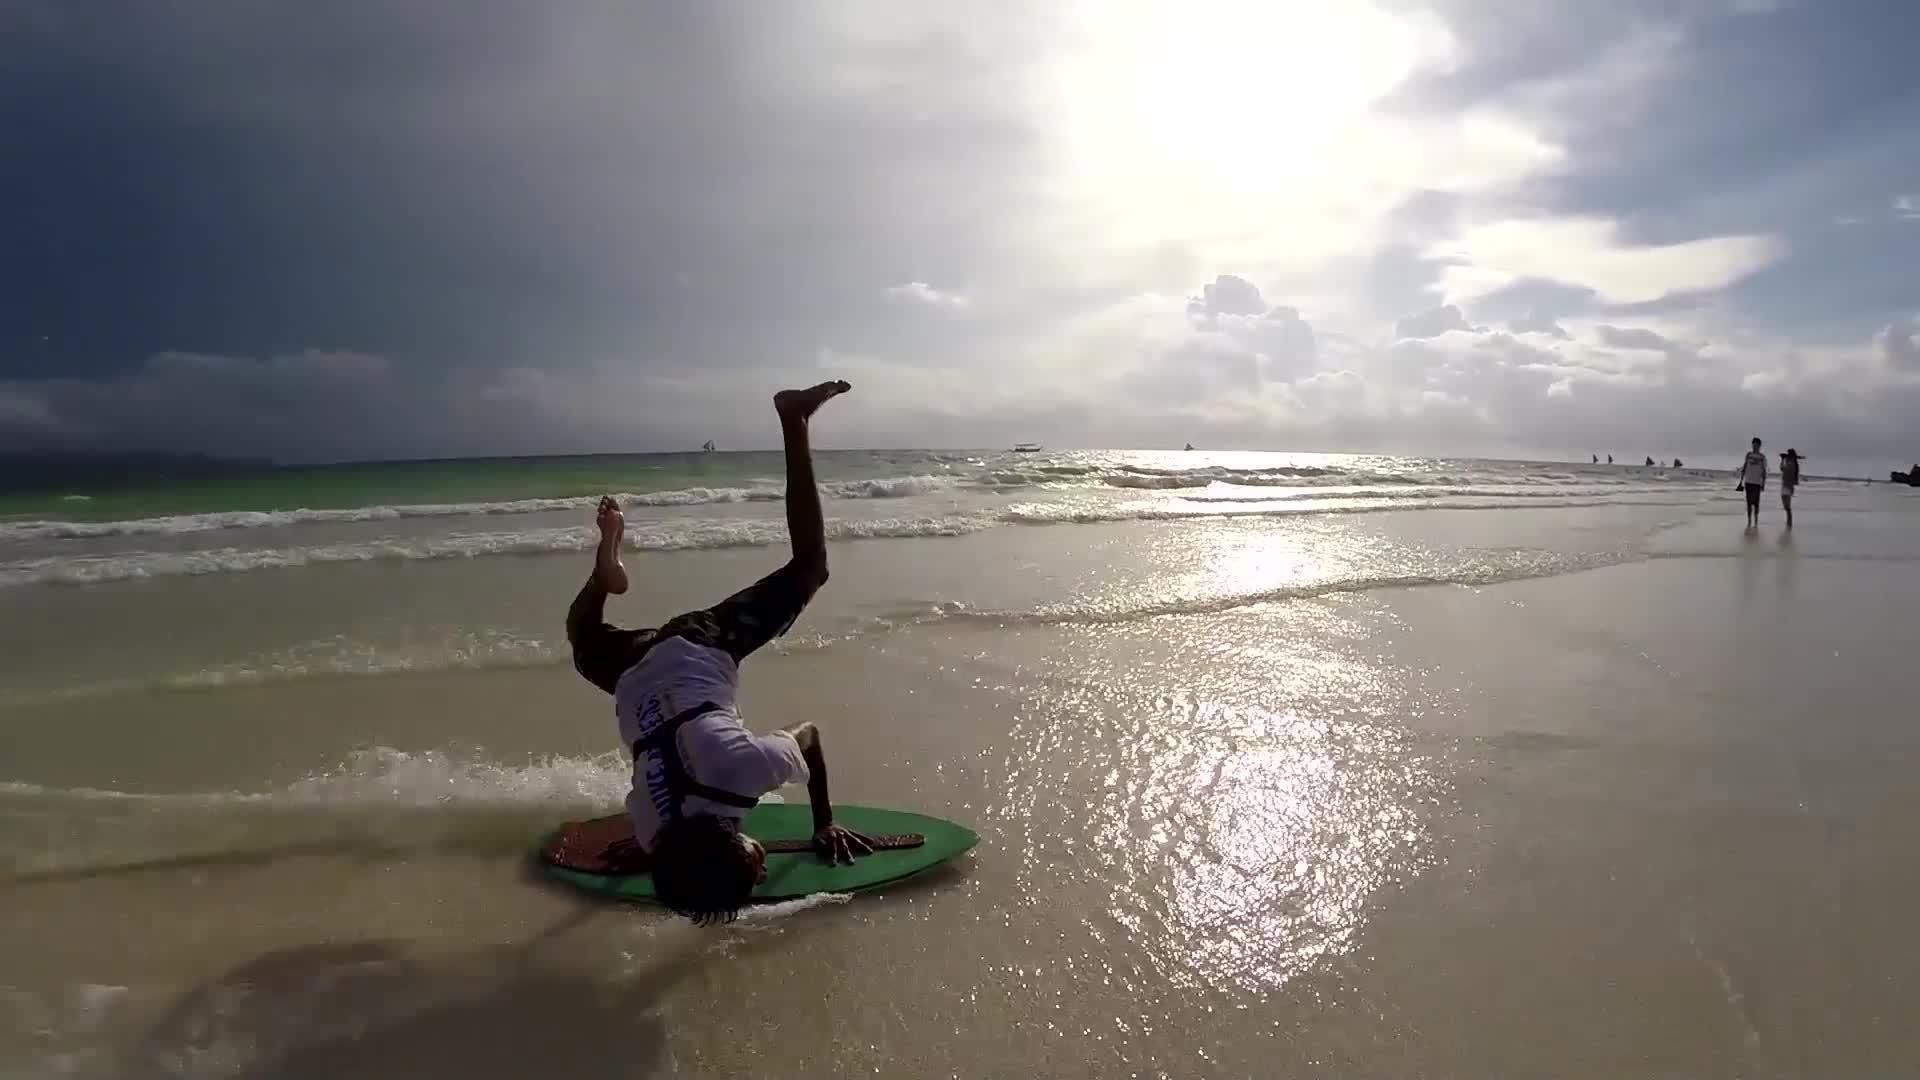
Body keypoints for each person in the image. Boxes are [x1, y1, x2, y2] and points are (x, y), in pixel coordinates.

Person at [565, 380, 875, 925]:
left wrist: (822, 822)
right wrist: (648, 852)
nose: (762, 872)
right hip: (629, 671)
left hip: (698, 645)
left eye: (753, 871)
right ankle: (602, 574)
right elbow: (659, 818)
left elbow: (810, 735)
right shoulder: (649, 828)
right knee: (581, 642)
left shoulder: (746, 768)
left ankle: (793, 419)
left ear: (739, 846)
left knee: (811, 569)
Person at [1738, 436, 1767, 527]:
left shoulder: (1762, 457)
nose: (1755, 447)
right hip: (1748, 481)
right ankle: (1749, 521)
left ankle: (1756, 521)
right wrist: (1741, 479)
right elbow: (1745, 466)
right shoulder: (1748, 455)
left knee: (1756, 503)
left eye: (1756, 445)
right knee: (1749, 503)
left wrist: (1763, 483)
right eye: (1753, 445)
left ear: (1759, 446)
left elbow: (1764, 471)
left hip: (1757, 483)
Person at [1779, 448, 1802, 528]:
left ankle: (1789, 522)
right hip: (1786, 485)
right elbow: (1783, 468)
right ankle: (1789, 521)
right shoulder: (1792, 463)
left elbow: (1782, 468)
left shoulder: (1791, 464)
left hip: (1787, 486)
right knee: (1787, 506)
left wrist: (1783, 459)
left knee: (1787, 506)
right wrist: (1784, 459)